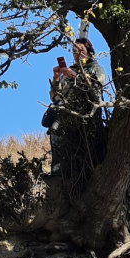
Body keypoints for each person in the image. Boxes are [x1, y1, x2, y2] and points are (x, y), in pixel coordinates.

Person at [42, 36, 108, 198]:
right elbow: (55, 97)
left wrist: (76, 77)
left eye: (80, 51)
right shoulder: (68, 70)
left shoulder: (95, 68)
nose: (76, 54)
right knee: (58, 147)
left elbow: (97, 88)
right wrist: (57, 78)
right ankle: (57, 181)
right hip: (63, 116)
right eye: (73, 51)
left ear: (89, 52)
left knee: (83, 154)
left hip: (85, 117)